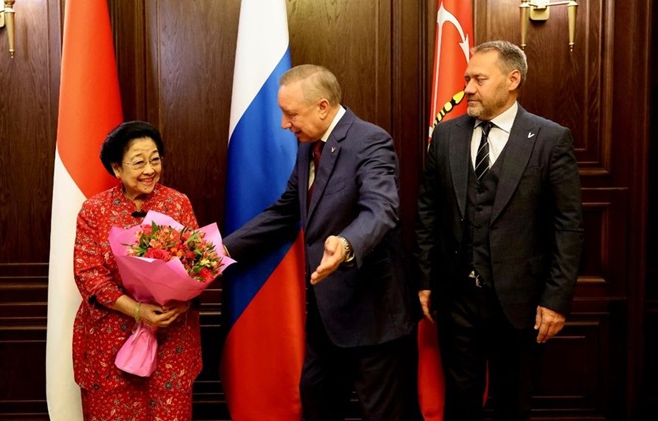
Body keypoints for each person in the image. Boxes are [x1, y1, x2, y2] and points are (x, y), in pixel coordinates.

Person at [223, 64, 420, 420]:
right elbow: (285, 211)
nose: (284, 124)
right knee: (316, 401)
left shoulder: (370, 141)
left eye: (291, 114)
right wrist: (223, 249)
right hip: (325, 315)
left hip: (373, 316)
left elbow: (381, 209)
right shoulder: (307, 147)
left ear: (323, 107)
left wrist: (345, 245)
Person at [414, 40, 584, 421]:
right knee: (461, 404)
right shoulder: (446, 135)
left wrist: (556, 299)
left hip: (520, 303)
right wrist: (425, 279)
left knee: (513, 403)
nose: (468, 89)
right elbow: (428, 212)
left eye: (479, 79)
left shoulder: (550, 139)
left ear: (512, 80)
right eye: (466, 79)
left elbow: (568, 227)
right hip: (456, 299)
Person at [71, 121, 202, 420]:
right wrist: (138, 310)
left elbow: (198, 263)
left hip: (171, 334)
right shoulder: (94, 210)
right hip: (111, 337)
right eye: (139, 162)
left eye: (155, 159)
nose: (150, 170)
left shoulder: (178, 203)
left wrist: (183, 301)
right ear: (117, 168)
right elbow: (88, 274)